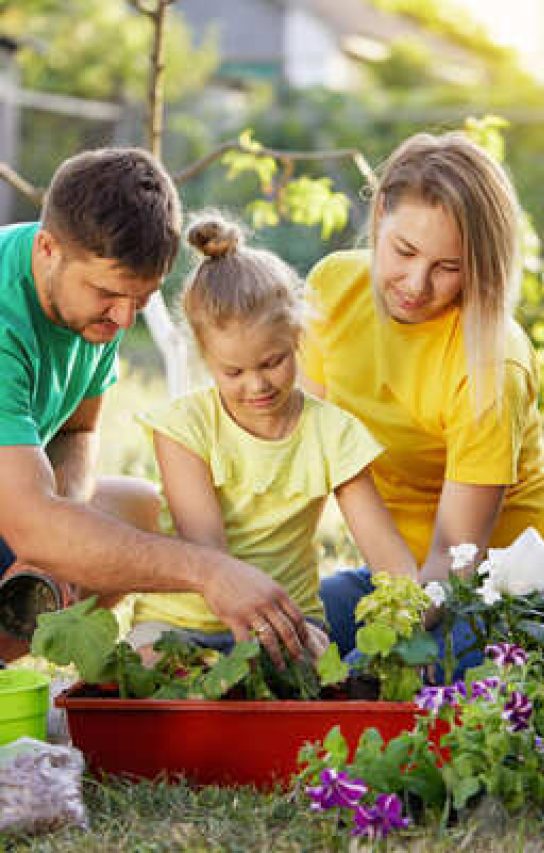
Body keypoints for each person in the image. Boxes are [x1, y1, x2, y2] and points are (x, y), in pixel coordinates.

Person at [0, 148, 310, 665]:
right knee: (58, 532)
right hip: (14, 513)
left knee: (140, 508)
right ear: (48, 248)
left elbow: (78, 432)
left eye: (139, 301)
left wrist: (66, 521)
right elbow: (30, 522)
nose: (123, 320)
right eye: (107, 294)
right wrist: (210, 571)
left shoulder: (94, 309)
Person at [300, 131, 544, 657]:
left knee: (367, 678)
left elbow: (457, 556)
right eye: (404, 250)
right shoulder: (333, 288)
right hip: (399, 578)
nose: (416, 283)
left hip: (504, 592)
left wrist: (377, 653)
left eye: (448, 268)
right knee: (289, 627)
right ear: (381, 211)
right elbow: (304, 460)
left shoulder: (490, 362)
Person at [128, 213, 418, 663]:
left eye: (273, 362)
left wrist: (415, 614)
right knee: (149, 669)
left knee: (302, 675)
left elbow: (389, 558)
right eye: (234, 372)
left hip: (287, 618)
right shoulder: (185, 427)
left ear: (298, 337)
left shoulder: (333, 433)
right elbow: (211, 557)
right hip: (181, 621)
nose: (257, 386)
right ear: (206, 357)